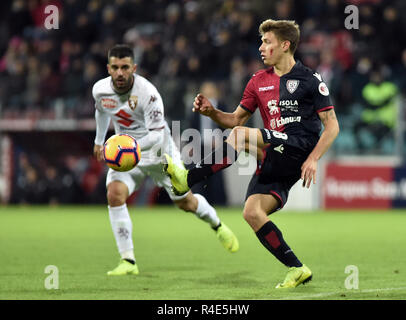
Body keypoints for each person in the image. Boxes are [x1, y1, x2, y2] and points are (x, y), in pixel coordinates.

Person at [164, 19, 340, 288]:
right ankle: (297, 268)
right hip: (275, 155)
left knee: (239, 137)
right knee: (252, 212)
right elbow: (236, 119)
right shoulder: (257, 81)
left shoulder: (310, 80)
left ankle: (188, 179)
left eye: (267, 42)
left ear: (285, 45)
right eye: (261, 41)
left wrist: (314, 158)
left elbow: (332, 125)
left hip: (299, 147)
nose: (261, 47)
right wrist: (211, 112)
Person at [92, 44, 239, 276]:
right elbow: (101, 111)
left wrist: (130, 147)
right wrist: (100, 141)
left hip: (159, 153)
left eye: (125, 67)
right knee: (114, 194)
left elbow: (157, 134)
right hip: (127, 154)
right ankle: (128, 260)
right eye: (115, 67)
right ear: (108, 68)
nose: (120, 72)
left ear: (134, 68)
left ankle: (217, 225)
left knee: (186, 203)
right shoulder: (100, 90)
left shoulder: (148, 93)